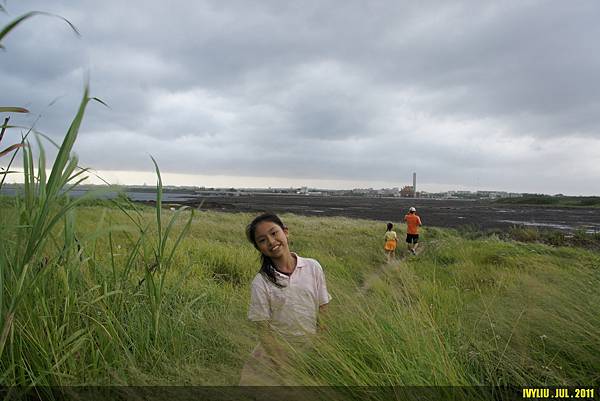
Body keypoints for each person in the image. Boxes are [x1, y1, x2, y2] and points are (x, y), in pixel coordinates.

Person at [240, 212, 331, 385]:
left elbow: (323, 308)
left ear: (286, 232)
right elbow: (263, 331)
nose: (271, 242)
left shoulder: (312, 267)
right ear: (259, 248)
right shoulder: (261, 282)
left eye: (274, 233)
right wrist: (281, 363)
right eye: (262, 240)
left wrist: (320, 345)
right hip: (274, 355)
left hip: (309, 350)